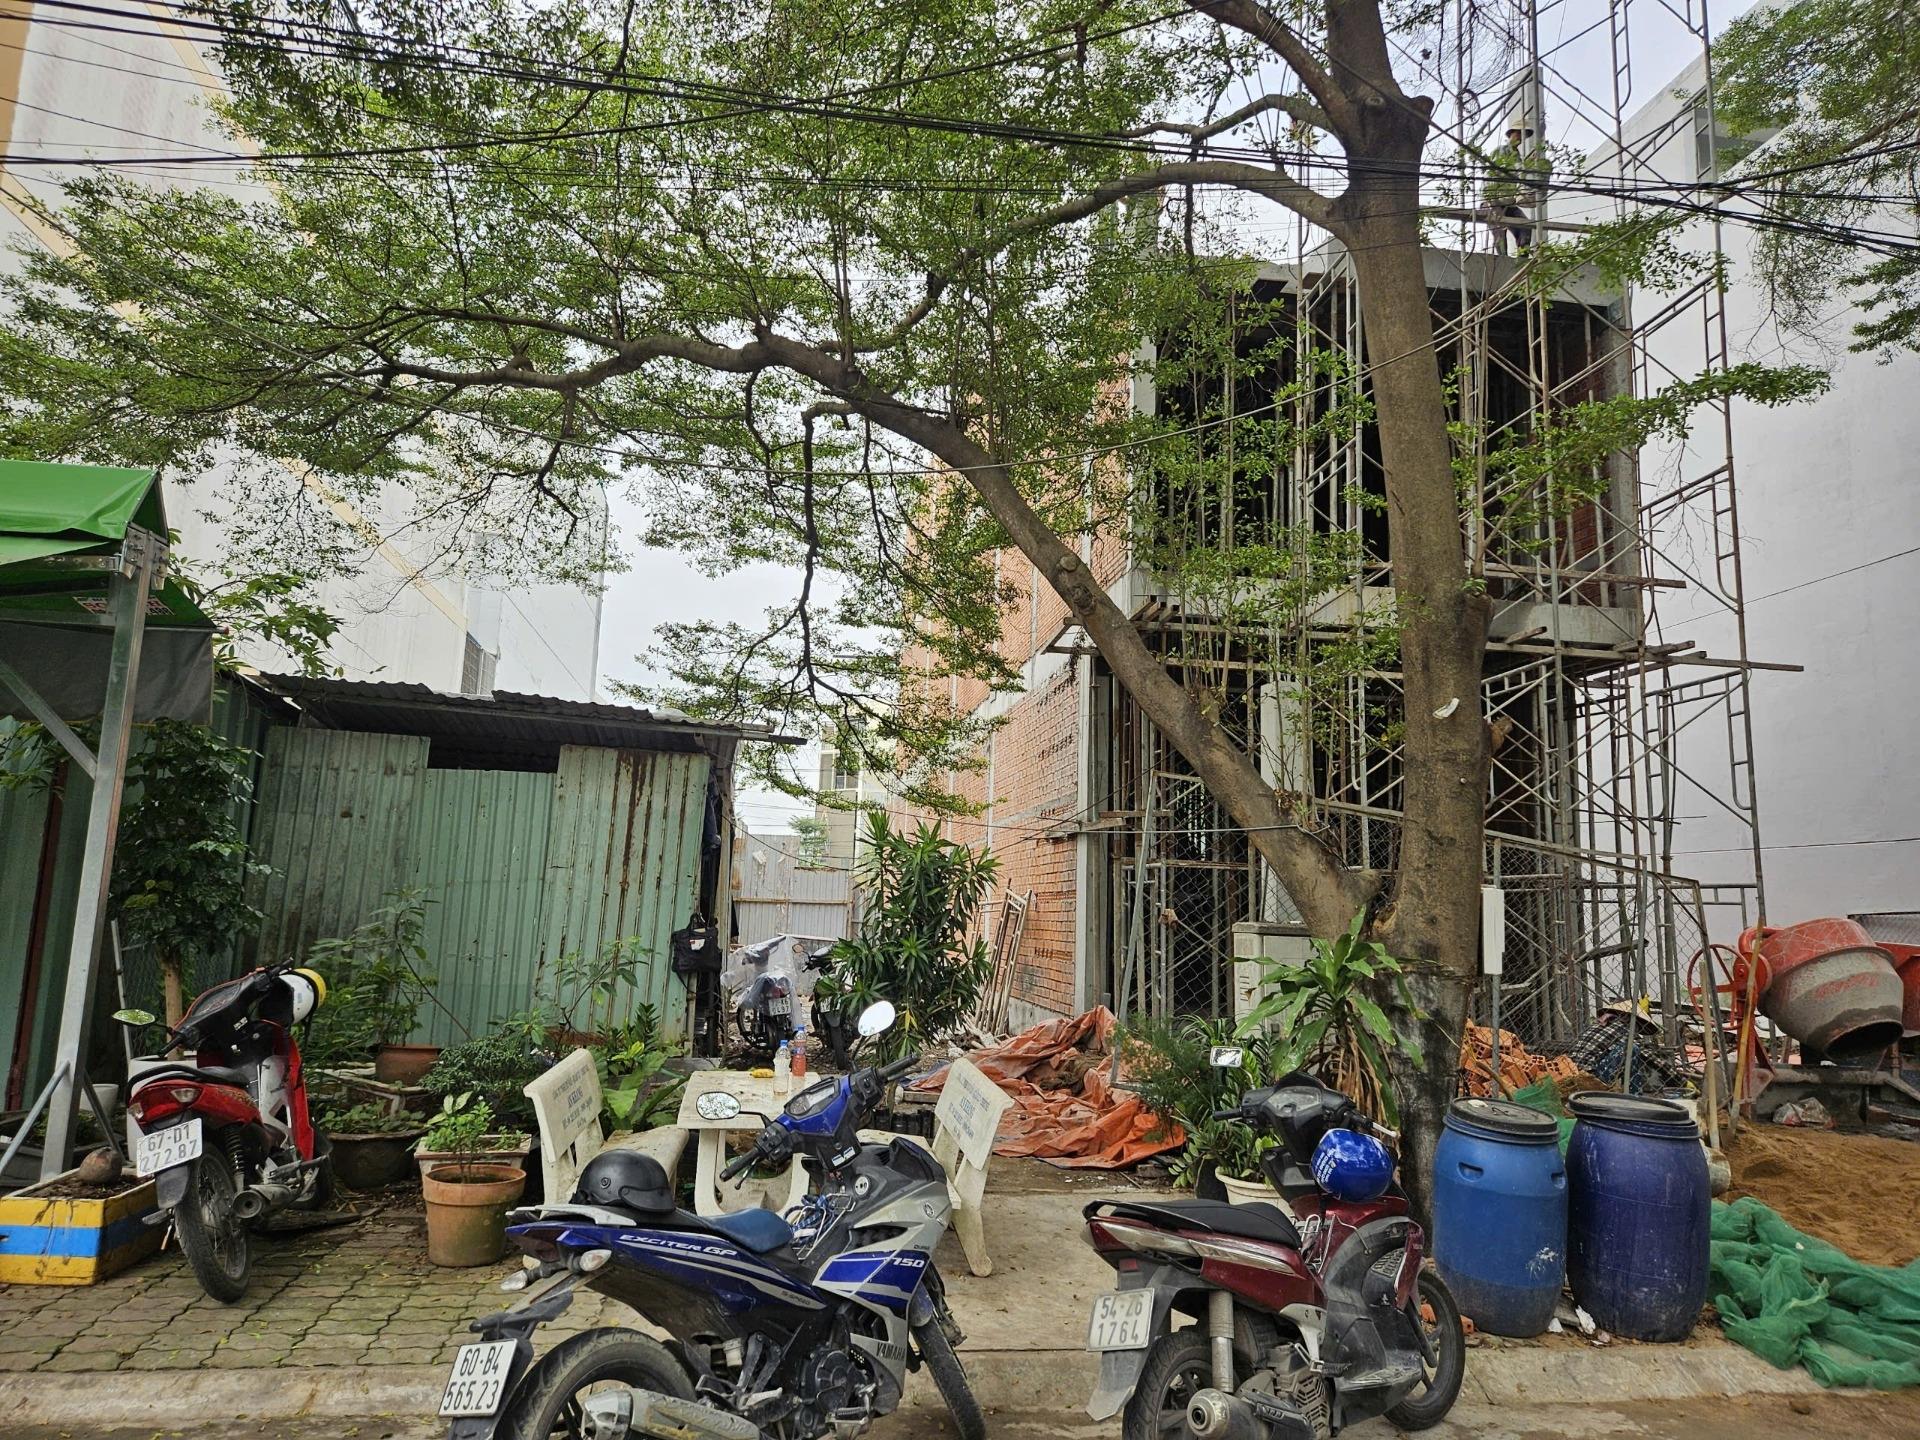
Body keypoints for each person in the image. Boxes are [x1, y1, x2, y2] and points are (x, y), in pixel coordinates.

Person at [1484, 116, 1548, 254]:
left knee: (1525, 227)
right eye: (1518, 133)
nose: (1520, 137)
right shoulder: (1501, 150)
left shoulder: (1517, 156)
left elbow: (1519, 173)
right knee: (1500, 234)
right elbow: (1508, 171)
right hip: (1493, 200)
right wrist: (1527, 166)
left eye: (1522, 135)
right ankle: (1502, 261)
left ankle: (1521, 261)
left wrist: (1529, 165)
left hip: (1508, 202)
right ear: (1511, 134)